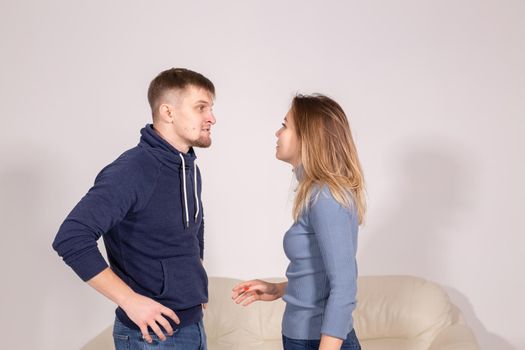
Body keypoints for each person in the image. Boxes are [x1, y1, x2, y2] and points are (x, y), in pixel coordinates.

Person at [52, 68, 216, 350]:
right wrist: (130, 301)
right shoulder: (133, 170)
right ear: (168, 112)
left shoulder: (187, 167)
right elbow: (71, 237)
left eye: (211, 109)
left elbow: (193, 227)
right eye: (201, 108)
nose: (212, 118)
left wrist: (194, 277)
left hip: (193, 325)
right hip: (151, 337)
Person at [232, 94, 366, 350]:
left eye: (285, 125)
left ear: (308, 136)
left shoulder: (326, 195)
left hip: (318, 341)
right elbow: (320, 273)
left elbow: (344, 286)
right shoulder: (315, 191)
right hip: (302, 337)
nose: (277, 132)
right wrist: (279, 289)